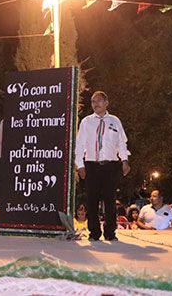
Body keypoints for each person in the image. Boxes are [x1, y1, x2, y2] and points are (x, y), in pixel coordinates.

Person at [75, 91, 131, 241]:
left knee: (110, 200)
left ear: (106, 103)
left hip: (111, 165)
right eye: (93, 102)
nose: (95, 104)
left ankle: (110, 233)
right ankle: (94, 233)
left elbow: (121, 143)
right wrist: (80, 165)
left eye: (99, 101)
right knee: (91, 200)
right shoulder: (86, 122)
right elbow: (79, 145)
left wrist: (124, 161)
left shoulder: (115, 121)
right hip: (92, 165)